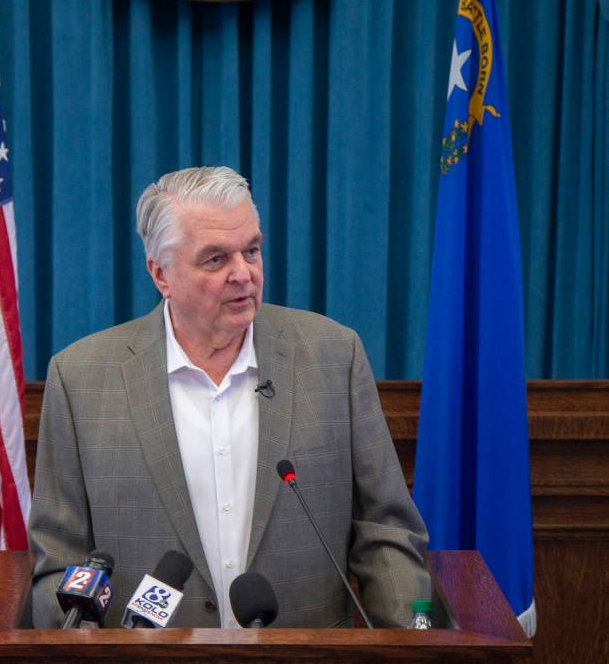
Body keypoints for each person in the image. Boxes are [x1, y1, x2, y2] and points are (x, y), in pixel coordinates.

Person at [29, 166, 430, 629]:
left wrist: (409, 653)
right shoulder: (82, 379)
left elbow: (387, 529)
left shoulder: (333, 357)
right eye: (216, 259)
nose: (244, 274)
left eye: (252, 251)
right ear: (162, 274)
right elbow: (59, 558)